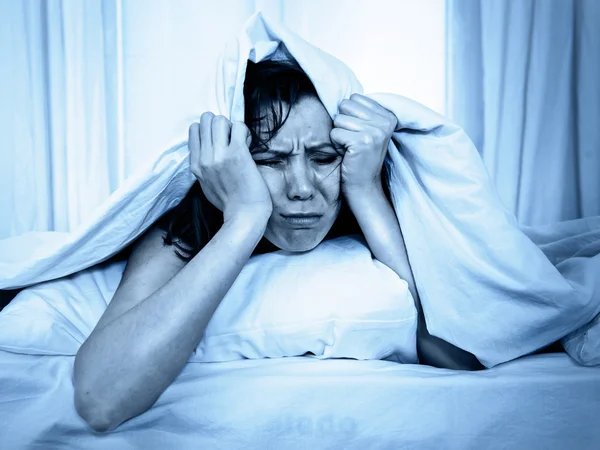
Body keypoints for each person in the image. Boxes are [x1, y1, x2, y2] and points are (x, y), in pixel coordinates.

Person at [72, 59, 474, 433]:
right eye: (270, 160)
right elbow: (101, 400)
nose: (301, 189)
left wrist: (364, 189)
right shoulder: (187, 226)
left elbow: (458, 357)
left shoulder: (372, 198)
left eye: (322, 158)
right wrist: (244, 217)